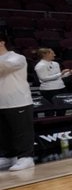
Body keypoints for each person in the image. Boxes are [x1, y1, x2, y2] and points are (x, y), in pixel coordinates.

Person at [0, 32, 36, 171]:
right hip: (1, 102)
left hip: (18, 101)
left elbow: (4, 67)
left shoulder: (17, 58)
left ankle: (26, 157)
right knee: (3, 132)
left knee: (22, 131)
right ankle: (8, 157)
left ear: (2, 42)